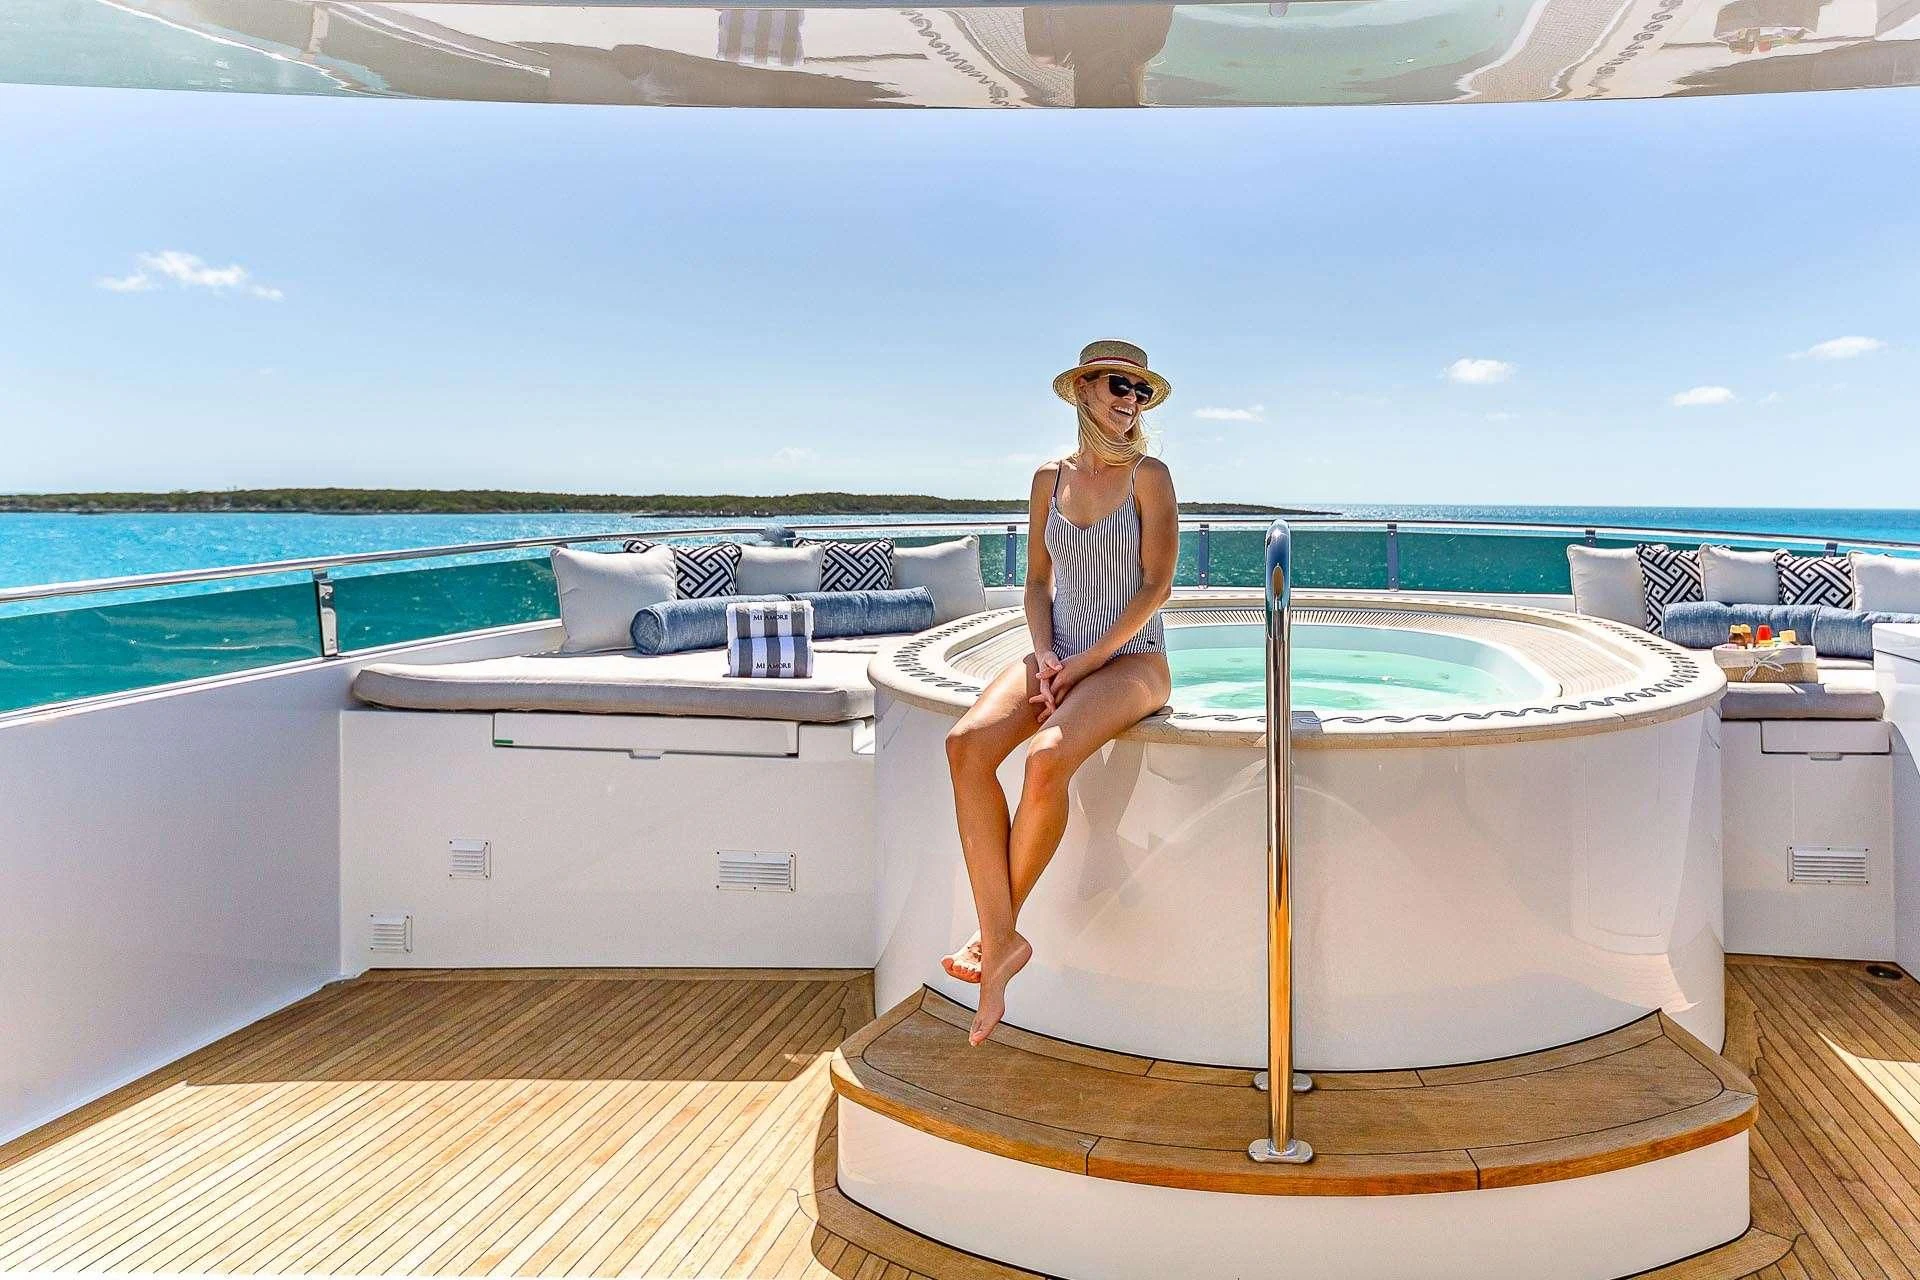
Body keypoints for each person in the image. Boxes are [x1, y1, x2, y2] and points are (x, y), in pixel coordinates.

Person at [940, 339, 1178, 1045]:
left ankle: (990, 944)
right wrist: (1048, 653)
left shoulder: (1150, 476)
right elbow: (1038, 582)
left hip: (1133, 659)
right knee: (965, 746)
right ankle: (1002, 938)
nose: (1130, 401)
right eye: (1118, 385)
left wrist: (1085, 664)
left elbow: (1155, 587)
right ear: (1082, 388)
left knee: (1045, 759)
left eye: (1141, 391)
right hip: (1060, 653)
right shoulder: (1049, 478)